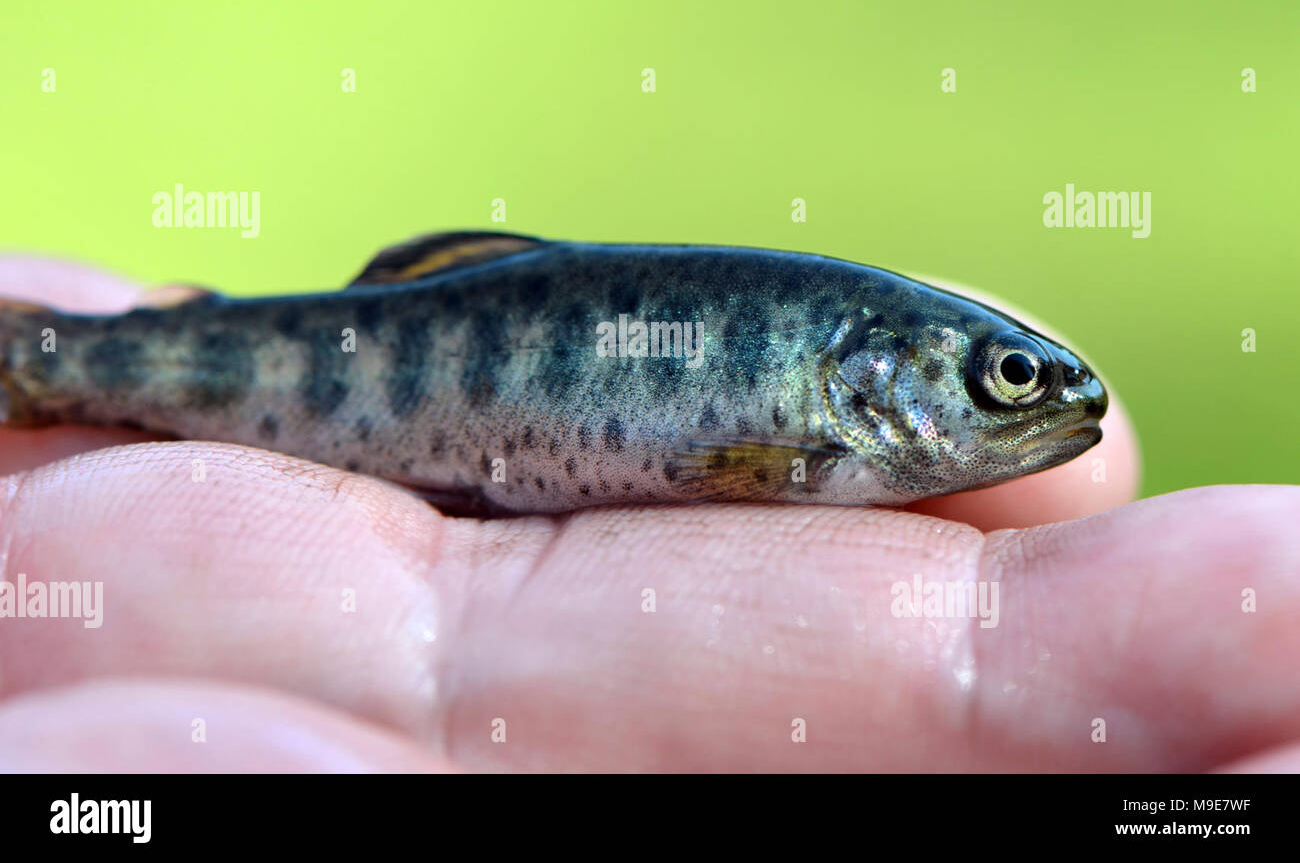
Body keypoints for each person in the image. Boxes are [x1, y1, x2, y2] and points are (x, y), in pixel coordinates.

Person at [0, 257, 1294, 772]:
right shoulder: (811, 421)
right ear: (879, 371)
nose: (1036, 401)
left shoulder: (833, 404)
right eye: (1001, 380)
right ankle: (47, 361)